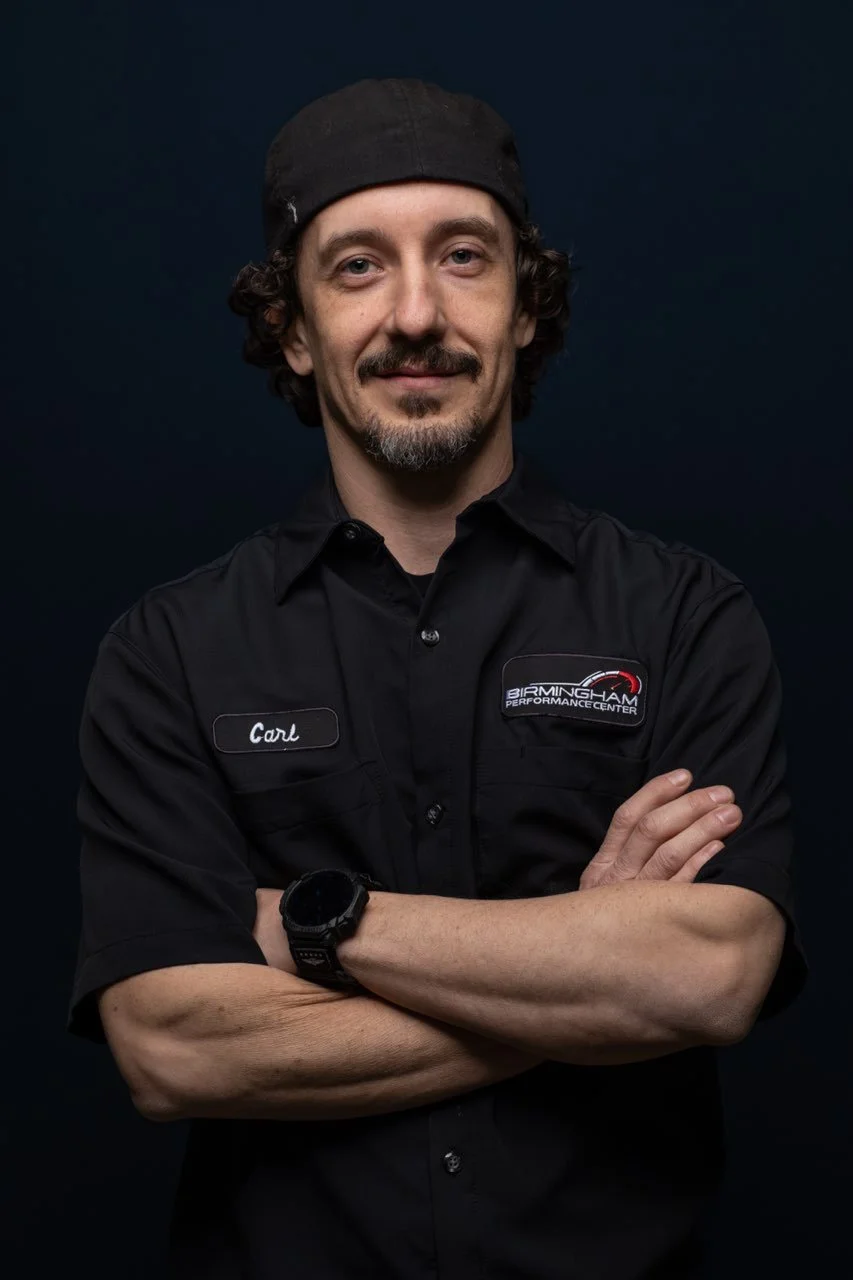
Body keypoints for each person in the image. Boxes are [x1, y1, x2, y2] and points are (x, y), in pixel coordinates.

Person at [66, 77, 809, 1279]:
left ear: (524, 304)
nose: (417, 313)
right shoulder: (168, 650)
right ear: (295, 328)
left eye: (463, 256)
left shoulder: (682, 615)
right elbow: (173, 1049)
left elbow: (709, 973)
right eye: (358, 266)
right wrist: (583, 977)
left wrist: (316, 924)